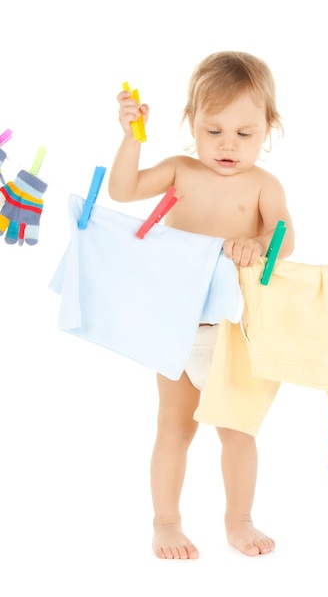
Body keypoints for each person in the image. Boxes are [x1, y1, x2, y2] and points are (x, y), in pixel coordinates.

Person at [108, 50, 295, 559]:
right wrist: (131, 138)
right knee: (175, 424)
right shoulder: (179, 171)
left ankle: (240, 519)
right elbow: (122, 190)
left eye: (244, 133)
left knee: (236, 428)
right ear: (191, 123)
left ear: (268, 129)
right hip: (177, 322)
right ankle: (165, 522)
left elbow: (284, 237)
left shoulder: (263, 185)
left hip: (233, 330)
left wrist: (258, 245)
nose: (227, 145)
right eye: (213, 131)